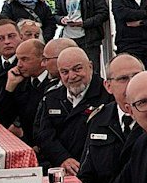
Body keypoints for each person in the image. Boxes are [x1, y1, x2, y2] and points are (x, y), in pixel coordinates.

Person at [29, 46, 110, 175]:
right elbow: (43, 134)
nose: (72, 76)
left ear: (90, 66)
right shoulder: (52, 97)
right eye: (65, 72)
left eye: (77, 69)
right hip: (59, 166)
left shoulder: (107, 96)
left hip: (95, 171)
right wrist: (62, 158)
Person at [77, 54, 146, 183]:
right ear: (108, 86)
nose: (131, 83)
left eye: (137, 76)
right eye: (123, 79)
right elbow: (87, 176)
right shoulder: (99, 119)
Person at [54, 0, 109, 73]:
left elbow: (103, 14)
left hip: (89, 39)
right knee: (70, 70)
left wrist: (84, 23)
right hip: (68, 38)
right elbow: (55, 14)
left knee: (92, 71)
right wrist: (61, 19)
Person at [0, 39, 50, 135]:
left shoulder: (53, 84)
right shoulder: (20, 81)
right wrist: (9, 88)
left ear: (42, 59)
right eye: (18, 59)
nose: (19, 65)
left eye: (25, 59)